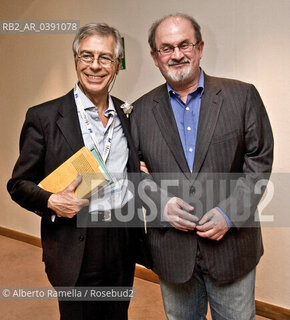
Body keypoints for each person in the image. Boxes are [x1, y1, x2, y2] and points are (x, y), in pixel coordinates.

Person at [131, 13, 274, 320]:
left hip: (232, 249)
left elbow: (259, 162)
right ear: (155, 57)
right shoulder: (139, 111)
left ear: (200, 47)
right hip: (172, 252)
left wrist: (229, 214)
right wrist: (160, 204)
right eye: (167, 48)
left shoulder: (241, 96)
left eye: (185, 44)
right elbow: (131, 174)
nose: (177, 54)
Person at [7, 23, 146, 320]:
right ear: (76, 60)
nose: (95, 65)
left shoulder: (130, 114)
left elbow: (135, 168)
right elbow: (18, 184)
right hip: (75, 239)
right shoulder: (43, 117)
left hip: (121, 238)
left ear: (117, 65)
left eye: (105, 57)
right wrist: (51, 201)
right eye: (87, 56)